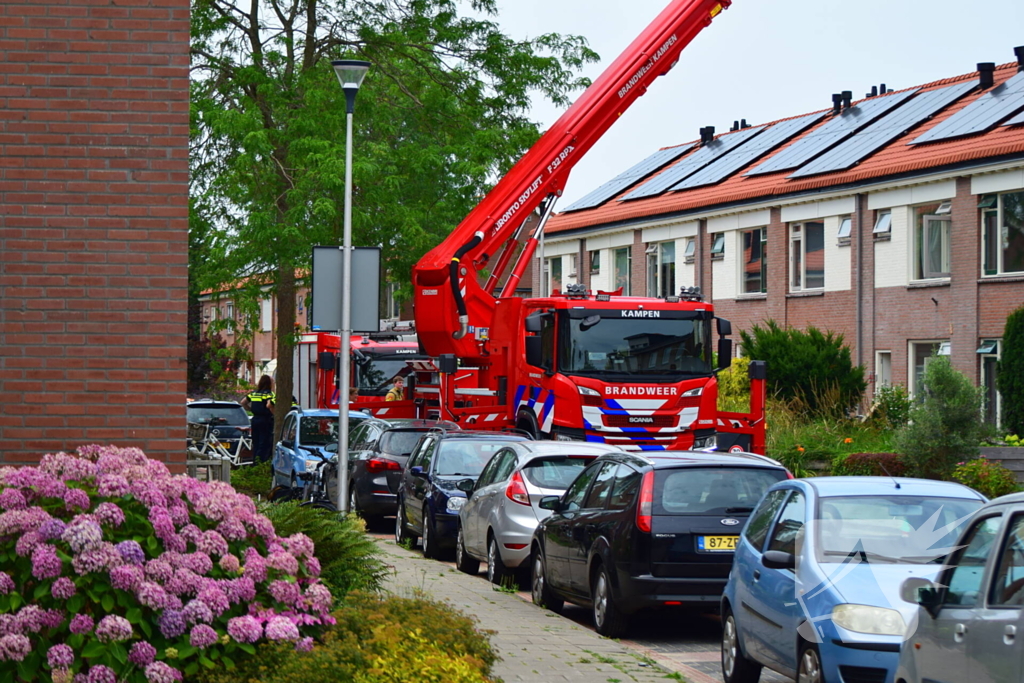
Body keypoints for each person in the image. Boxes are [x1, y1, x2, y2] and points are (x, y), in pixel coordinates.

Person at [242, 375, 275, 464]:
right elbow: (269, 404)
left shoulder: (254, 393)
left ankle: (255, 461)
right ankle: (261, 463)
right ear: (269, 384)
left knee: (256, 442)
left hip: (255, 419)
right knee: (265, 442)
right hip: (266, 420)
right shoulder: (269, 394)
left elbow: (243, 402)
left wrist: (251, 409)